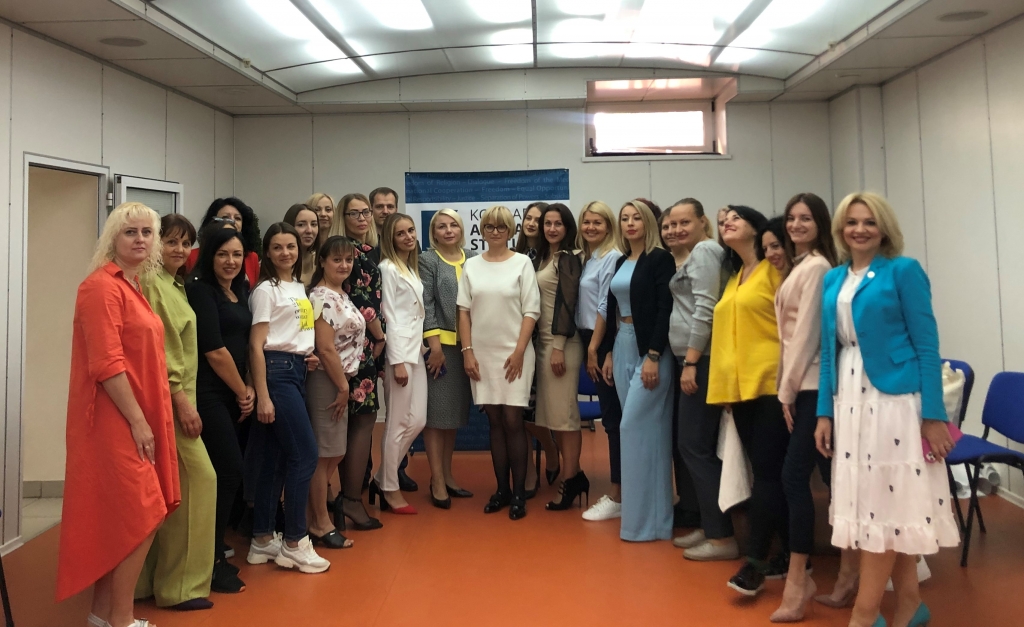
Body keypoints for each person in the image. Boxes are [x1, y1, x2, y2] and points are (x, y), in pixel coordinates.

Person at [814, 192, 959, 627]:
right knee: (881, 504)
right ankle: (910, 604)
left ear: (884, 229)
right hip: (849, 396)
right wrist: (824, 412)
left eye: (869, 222)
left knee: (884, 504)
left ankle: (865, 614)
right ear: (840, 229)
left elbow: (927, 346)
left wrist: (933, 416)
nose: (859, 229)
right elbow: (827, 351)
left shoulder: (903, 271)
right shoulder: (833, 278)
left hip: (894, 400)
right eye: (851, 222)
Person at [57, 202, 180, 627]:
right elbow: (106, 364)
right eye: (131, 232)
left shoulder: (132, 285)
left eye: (147, 232)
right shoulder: (100, 288)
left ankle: (100, 615)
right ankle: (122, 619)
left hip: (134, 415)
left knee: (127, 518)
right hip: (114, 420)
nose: (140, 239)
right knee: (142, 515)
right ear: (113, 238)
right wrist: (138, 421)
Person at [136, 215, 218, 611]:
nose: (180, 250)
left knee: (164, 494)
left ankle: (146, 582)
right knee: (200, 481)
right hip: (169, 403)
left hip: (174, 401)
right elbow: (162, 349)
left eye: (186, 243)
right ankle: (181, 587)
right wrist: (181, 402)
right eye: (171, 242)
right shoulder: (154, 284)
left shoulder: (175, 284)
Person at [707, 205, 789, 597]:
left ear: (757, 228)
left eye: (735, 218)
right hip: (739, 388)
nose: (727, 223)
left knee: (769, 474)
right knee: (766, 472)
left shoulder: (775, 270)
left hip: (773, 383)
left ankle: (755, 562)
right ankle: (789, 553)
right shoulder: (736, 276)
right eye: (723, 221)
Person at [769, 193, 838, 621]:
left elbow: (808, 335)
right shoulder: (800, 265)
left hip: (811, 387)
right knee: (831, 477)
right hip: (802, 384)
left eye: (806, 218)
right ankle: (848, 574)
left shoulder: (816, 268)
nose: (796, 225)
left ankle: (799, 580)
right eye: (792, 218)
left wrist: (787, 391)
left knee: (795, 477)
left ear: (820, 224)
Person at [246, 222, 329, 574]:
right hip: (276, 374)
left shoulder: (297, 286)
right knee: (305, 454)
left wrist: (305, 352)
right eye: (278, 247)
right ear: (267, 252)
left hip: (294, 369)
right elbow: (256, 345)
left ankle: (263, 538)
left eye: (291, 247)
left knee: (277, 457)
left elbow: (294, 331)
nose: (285, 253)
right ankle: (295, 542)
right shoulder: (266, 290)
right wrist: (263, 396)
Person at [661, 199, 738, 561]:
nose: (677, 229)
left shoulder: (706, 251)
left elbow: (706, 308)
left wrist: (691, 361)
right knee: (690, 445)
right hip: (690, 360)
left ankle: (722, 537)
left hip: (700, 361)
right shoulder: (696, 254)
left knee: (695, 446)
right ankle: (708, 526)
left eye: (684, 222)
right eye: (672, 224)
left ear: (703, 222)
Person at [595, 200, 675, 542]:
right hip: (622, 344)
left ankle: (650, 521)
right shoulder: (620, 261)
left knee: (635, 429)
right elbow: (612, 309)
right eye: (625, 218)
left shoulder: (659, 259)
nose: (630, 223)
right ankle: (642, 517)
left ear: (648, 223)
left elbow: (665, 309)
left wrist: (654, 354)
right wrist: (609, 352)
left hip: (650, 350)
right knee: (638, 434)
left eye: (636, 218)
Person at [457, 205, 541, 520]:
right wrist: (467, 351)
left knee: (513, 421)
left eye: (501, 227)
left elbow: (531, 311)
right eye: (489, 227)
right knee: (494, 422)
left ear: (510, 230)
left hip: (515, 353)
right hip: (482, 354)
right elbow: (463, 311)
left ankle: (519, 493)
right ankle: (501, 490)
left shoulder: (522, 263)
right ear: (482, 231)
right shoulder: (472, 265)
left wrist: (519, 352)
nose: (495, 232)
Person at [186, 226, 254, 594]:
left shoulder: (239, 289)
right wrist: (243, 391)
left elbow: (245, 341)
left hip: (234, 393)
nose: (230, 261)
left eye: (237, 254)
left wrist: (247, 388)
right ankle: (210, 562)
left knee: (228, 474)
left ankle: (214, 553)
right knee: (228, 470)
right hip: (210, 393)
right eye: (223, 254)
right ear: (209, 255)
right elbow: (213, 350)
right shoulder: (201, 290)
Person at [327, 193, 388, 529]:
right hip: (359, 347)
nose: (363, 218)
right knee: (362, 422)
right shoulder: (351, 252)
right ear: (343, 217)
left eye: (366, 212)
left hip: (356, 346)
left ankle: (348, 496)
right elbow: (363, 303)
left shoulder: (364, 250)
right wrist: (380, 337)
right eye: (355, 213)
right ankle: (351, 498)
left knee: (356, 422)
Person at [305, 236, 365, 549]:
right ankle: (319, 522)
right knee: (323, 454)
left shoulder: (341, 293)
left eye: (348, 260)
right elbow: (325, 348)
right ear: (322, 262)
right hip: (327, 380)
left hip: (340, 379)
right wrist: (342, 386)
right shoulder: (321, 297)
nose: (344, 265)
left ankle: (311, 515)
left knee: (335, 452)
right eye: (337, 260)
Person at [369, 214, 428, 514]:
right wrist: (396, 361)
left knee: (418, 420)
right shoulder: (388, 268)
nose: (408, 237)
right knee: (396, 424)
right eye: (400, 233)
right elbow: (388, 316)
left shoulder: (410, 267)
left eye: (411, 231)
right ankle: (390, 489)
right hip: (400, 353)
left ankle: (382, 477)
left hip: (416, 350)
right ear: (390, 239)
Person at [419, 209, 477, 507]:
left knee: (452, 415)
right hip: (441, 348)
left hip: (468, 347)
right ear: (434, 233)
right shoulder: (428, 260)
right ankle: (436, 479)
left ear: (462, 229)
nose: (448, 230)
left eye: (453, 224)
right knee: (436, 416)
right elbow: (426, 304)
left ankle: (449, 475)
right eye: (441, 226)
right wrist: (435, 346)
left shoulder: (474, 259)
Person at [532, 203, 588, 510]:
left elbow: (568, 303)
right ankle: (574, 474)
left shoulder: (568, 258)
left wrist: (558, 346)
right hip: (545, 344)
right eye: (547, 223)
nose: (552, 229)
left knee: (566, 417)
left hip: (562, 344)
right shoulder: (544, 257)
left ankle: (570, 480)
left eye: (558, 224)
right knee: (555, 417)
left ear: (568, 228)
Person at [576, 201, 624, 522]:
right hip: (589, 338)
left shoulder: (612, 257)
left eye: (598, 222)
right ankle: (621, 489)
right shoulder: (590, 258)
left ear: (609, 226)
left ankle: (618, 495)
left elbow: (607, 305)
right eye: (587, 222)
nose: (591, 227)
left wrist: (596, 348)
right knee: (610, 418)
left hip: (602, 339)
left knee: (613, 419)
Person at [512, 201, 560, 492]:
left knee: (534, 412)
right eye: (528, 218)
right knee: (516, 413)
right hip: (511, 340)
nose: (531, 223)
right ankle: (528, 473)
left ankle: (551, 451)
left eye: (537, 220)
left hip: (540, 339)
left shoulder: (548, 258)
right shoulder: (513, 255)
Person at [185, 197, 261, 286]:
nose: (232, 221)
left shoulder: (252, 257)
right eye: (225, 217)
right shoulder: (192, 256)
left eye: (237, 218)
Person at [283, 203, 320, 284]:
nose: (309, 230)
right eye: (301, 225)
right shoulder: (279, 261)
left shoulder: (321, 262)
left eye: (313, 224)